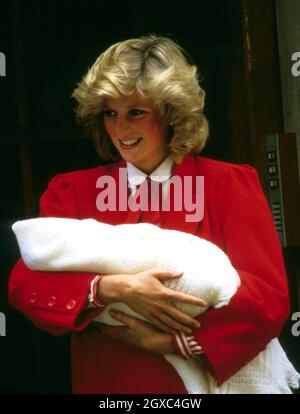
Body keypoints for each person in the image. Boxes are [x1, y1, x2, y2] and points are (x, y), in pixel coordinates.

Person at [8, 34, 290, 393]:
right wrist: (110, 288)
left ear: (171, 113)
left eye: (136, 113)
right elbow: (24, 284)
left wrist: (174, 343)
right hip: (109, 383)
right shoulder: (72, 191)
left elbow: (269, 298)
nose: (120, 129)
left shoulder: (229, 184)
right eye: (110, 113)